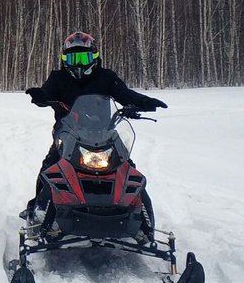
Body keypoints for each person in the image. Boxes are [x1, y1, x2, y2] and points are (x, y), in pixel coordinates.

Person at [23, 31, 167, 216]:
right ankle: (38, 211)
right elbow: (46, 93)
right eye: (74, 58)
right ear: (65, 59)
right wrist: (40, 96)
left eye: (84, 57)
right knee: (49, 167)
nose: (79, 64)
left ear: (94, 57)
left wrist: (144, 102)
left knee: (128, 168)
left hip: (104, 135)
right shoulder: (58, 78)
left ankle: (141, 214)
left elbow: (125, 94)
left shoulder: (106, 77)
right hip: (68, 134)